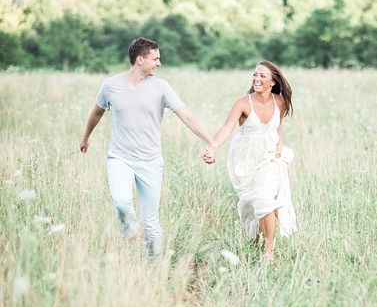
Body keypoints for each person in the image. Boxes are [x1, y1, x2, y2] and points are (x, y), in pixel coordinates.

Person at [80, 37, 214, 256]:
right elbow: (96, 112)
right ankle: (131, 242)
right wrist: (85, 137)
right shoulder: (110, 86)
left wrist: (210, 141)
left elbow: (186, 115)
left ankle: (155, 268)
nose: (159, 63)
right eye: (156, 58)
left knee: (151, 223)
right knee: (122, 202)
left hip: (151, 162)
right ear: (140, 59)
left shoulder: (161, 87)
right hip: (120, 158)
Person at [202, 61, 296, 263]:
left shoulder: (280, 102)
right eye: (255, 75)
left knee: (264, 199)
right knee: (253, 205)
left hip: (269, 160)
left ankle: (269, 254)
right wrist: (213, 147)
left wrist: (279, 143)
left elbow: (278, 126)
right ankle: (259, 242)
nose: (257, 79)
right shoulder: (243, 103)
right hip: (244, 163)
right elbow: (227, 128)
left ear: (273, 81)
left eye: (262, 76)